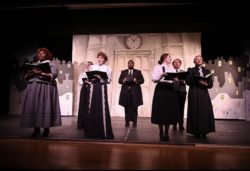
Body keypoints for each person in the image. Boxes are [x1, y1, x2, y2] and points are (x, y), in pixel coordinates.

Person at [20, 47, 62, 138]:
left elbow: (53, 75)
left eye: (43, 53)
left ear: (47, 55)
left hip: (45, 88)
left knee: (44, 107)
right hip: (33, 87)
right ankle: (36, 129)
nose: (40, 55)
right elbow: (26, 77)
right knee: (34, 107)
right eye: (39, 53)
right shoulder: (34, 64)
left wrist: (41, 73)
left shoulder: (51, 64)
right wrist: (29, 74)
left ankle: (46, 130)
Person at [80, 52, 114, 139]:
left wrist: (100, 78)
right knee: (92, 107)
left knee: (102, 107)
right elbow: (87, 77)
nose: (100, 59)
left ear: (105, 60)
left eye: (102, 58)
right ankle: (91, 131)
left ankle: (103, 132)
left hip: (101, 87)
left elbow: (109, 80)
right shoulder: (93, 67)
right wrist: (88, 71)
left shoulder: (107, 68)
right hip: (93, 87)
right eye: (99, 57)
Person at [151, 53, 180, 141]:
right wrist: (161, 76)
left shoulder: (172, 69)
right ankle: (161, 131)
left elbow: (175, 81)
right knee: (160, 110)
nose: (171, 59)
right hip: (161, 88)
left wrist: (175, 80)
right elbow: (154, 79)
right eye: (169, 57)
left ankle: (166, 132)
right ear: (164, 58)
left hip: (170, 89)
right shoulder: (157, 67)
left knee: (168, 110)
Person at [185, 55, 215, 138]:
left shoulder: (207, 71)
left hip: (203, 92)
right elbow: (187, 81)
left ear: (202, 61)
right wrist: (197, 80)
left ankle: (204, 130)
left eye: (200, 59)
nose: (198, 61)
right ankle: (195, 131)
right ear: (194, 61)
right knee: (194, 110)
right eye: (196, 59)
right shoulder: (190, 70)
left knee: (204, 111)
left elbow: (210, 84)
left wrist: (206, 84)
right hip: (194, 91)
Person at [118, 60, 144, 128]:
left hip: (135, 93)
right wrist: (124, 80)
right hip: (126, 92)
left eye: (131, 63)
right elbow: (119, 81)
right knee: (126, 107)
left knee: (135, 108)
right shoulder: (123, 72)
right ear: (127, 64)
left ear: (133, 64)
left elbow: (142, 80)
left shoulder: (138, 72)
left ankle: (134, 122)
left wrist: (136, 80)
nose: (130, 64)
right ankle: (127, 122)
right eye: (129, 63)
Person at [77, 61, 93, 130]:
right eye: (86, 65)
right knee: (83, 105)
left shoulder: (93, 74)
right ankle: (82, 124)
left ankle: (90, 123)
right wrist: (85, 81)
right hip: (84, 90)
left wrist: (90, 82)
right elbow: (80, 82)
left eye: (89, 65)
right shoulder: (83, 74)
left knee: (90, 105)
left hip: (91, 89)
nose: (87, 66)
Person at [172, 58, 187, 131]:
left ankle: (181, 124)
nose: (177, 63)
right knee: (174, 108)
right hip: (173, 92)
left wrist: (181, 81)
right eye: (175, 62)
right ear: (173, 64)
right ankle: (174, 124)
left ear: (180, 64)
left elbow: (187, 82)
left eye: (178, 62)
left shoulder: (183, 72)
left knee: (181, 108)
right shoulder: (170, 72)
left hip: (182, 92)